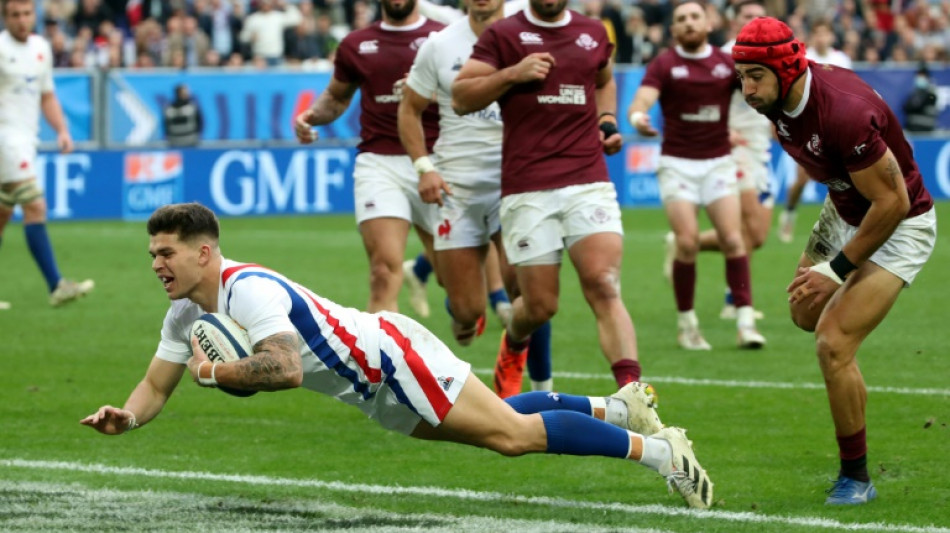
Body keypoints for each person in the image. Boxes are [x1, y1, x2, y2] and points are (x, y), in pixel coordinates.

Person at [79, 202, 714, 511]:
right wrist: (128, 418)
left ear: (204, 253)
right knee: (493, 423)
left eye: (167, 253)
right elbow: (155, 386)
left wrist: (214, 371)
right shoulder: (185, 314)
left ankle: (661, 452)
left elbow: (285, 368)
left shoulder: (248, 289)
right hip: (369, 388)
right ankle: (617, 408)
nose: (157, 264)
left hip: (388, 359)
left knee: (511, 437)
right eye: (152, 254)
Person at [733, 17, 936, 504]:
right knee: (804, 314)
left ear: (786, 70)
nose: (746, 89)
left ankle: (856, 478)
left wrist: (838, 269)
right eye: (741, 76)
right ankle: (849, 364)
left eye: (755, 76)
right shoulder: (777, 100)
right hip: (845, 208)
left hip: (900, 224)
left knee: (831, 343)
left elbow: (894, 203)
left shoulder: (845, 113)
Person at [452, 0, 648, 393]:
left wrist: (606, 120)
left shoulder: (592, 32)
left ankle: (634, 395)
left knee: (604, 284)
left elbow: (604, 81)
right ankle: (514, 340)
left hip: (587, 178)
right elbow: (461, 96)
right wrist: (513, 73)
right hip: (528, 186)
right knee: (540, 306)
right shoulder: (503, 34)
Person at [398, 0, 554, 394]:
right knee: (466, 314)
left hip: (515, 181)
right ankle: (468, 313)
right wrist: (424, 167)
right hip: (458, 188)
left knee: (530, 292)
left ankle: (541, 386)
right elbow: (409, 109)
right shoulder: (439, 44)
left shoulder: (528, 37)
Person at [627, 0, 764, 350]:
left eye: (694, 17)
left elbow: (756, 92)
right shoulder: (665, 63)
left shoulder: (725, 64)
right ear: (674, 29)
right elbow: (641, 100)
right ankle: (687, 325)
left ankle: (745, 323)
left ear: (708, 24)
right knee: (687, 242)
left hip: (718, 162)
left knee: (734, 239)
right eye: (681, 19)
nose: (688, 23)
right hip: (677, 164)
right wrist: (638, 117)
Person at [293, 0, 443, 314]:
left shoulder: (443, 38)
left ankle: (456, 301)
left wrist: (430, 93)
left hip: (437, 160)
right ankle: (385, 347)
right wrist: (312, 116)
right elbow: (336, 96)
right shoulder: (356, 44)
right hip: (379, 162)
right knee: (383, 272)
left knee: (456, 284)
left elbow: (468, 96)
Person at [0, 0, 94, 308]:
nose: (22, 20)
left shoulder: (41, 48)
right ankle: (56, 284)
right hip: (5, 140)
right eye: (15, 14)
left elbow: (47, 95)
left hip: (26, 139)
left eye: (27, 13)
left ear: (34, 14)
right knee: (35, 205)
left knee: (2, 214)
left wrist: (62, 130)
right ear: (5, 18)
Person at [696, 0, 773, 321]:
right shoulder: (724, 58)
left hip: (761, 149)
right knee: (746, 228)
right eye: (747, 16)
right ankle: (736, 301)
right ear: (734, 21)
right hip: (735, 149)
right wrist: (721, 131)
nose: (753, 20)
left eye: (758, 16)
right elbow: (704, 100)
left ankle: (686, 243)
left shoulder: (771, 56)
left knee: (757, 235)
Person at [776, 19, 852, 244]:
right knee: (802, 179)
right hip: (808, 126)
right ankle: (789, 213)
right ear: (812, 36)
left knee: (846, 178)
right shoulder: (804, 58)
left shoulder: (842, 60)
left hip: (836, 127)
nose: (821, 38)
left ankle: (845, 224)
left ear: (831, 36)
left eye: (825, 33)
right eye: (817, 33)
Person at [902, 64, 938, 133]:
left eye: (923, 76)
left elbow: (917, 106)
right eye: (919, 75)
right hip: (912, 129)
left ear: (927, 78)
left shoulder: (931, 94)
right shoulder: (914, 93)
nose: (920, 78)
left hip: (926, 130)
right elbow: (906, 107)